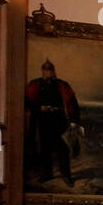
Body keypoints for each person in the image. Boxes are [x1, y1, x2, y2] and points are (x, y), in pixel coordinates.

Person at [25, 59, 81, 187]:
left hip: (59, 119)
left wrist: (74, 121)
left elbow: (73, 103)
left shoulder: (62, 84)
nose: (49, 72)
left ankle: (66, 175)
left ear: (54, 71)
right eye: (46, 70)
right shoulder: (35, 84)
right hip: (42, 120)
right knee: (44, 148)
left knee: (63, 147)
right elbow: (27, 101)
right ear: (43, 71)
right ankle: (47, 173)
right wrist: (39, 107)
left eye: (51, 70)